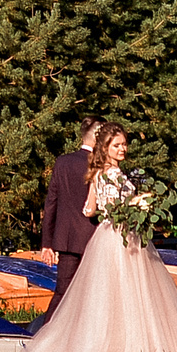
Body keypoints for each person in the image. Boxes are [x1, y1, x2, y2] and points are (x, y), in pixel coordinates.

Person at [20, 122, 177, 352]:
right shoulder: (108, 173)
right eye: (117, 145)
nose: (123, 149)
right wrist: (138, 202)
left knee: (130, 296)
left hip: (122, 234)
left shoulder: (103, 172)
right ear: (105, 147)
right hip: (117, 236)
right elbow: (110, 207)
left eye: (124, 144)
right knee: (120, 296)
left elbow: (89, 209)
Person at [40, 117, 101, 307]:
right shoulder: (102, 165)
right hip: (95, 238)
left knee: (62, 294)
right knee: (94, 296)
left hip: (67, 240)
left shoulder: (63, 162)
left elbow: (51, 203)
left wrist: (47, 243)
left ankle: (46, 333)